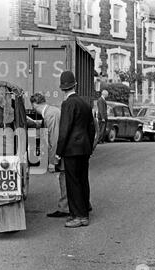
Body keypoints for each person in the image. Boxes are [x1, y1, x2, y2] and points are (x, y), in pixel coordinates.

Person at [56, 70, 96, 228]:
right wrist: (90, 146)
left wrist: (59, 153)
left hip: (71, 150)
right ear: (75, 85)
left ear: (62, 88)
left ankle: (79, 216)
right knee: (83, 180)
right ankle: (85, 209)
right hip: (84, 148)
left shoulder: (67, 104)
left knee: (72, 183)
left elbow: (64, 130)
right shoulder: (85, 103)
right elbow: (92, 128)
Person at [30, 93, 69, 218]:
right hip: (65, 151)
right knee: (68, 179)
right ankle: (76, 205)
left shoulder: (50, 114)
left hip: (61, 153)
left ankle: (65, 208)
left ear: (35, 105)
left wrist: (52, 161)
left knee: (64, 179)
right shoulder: (52, 111)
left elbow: (54, 138)